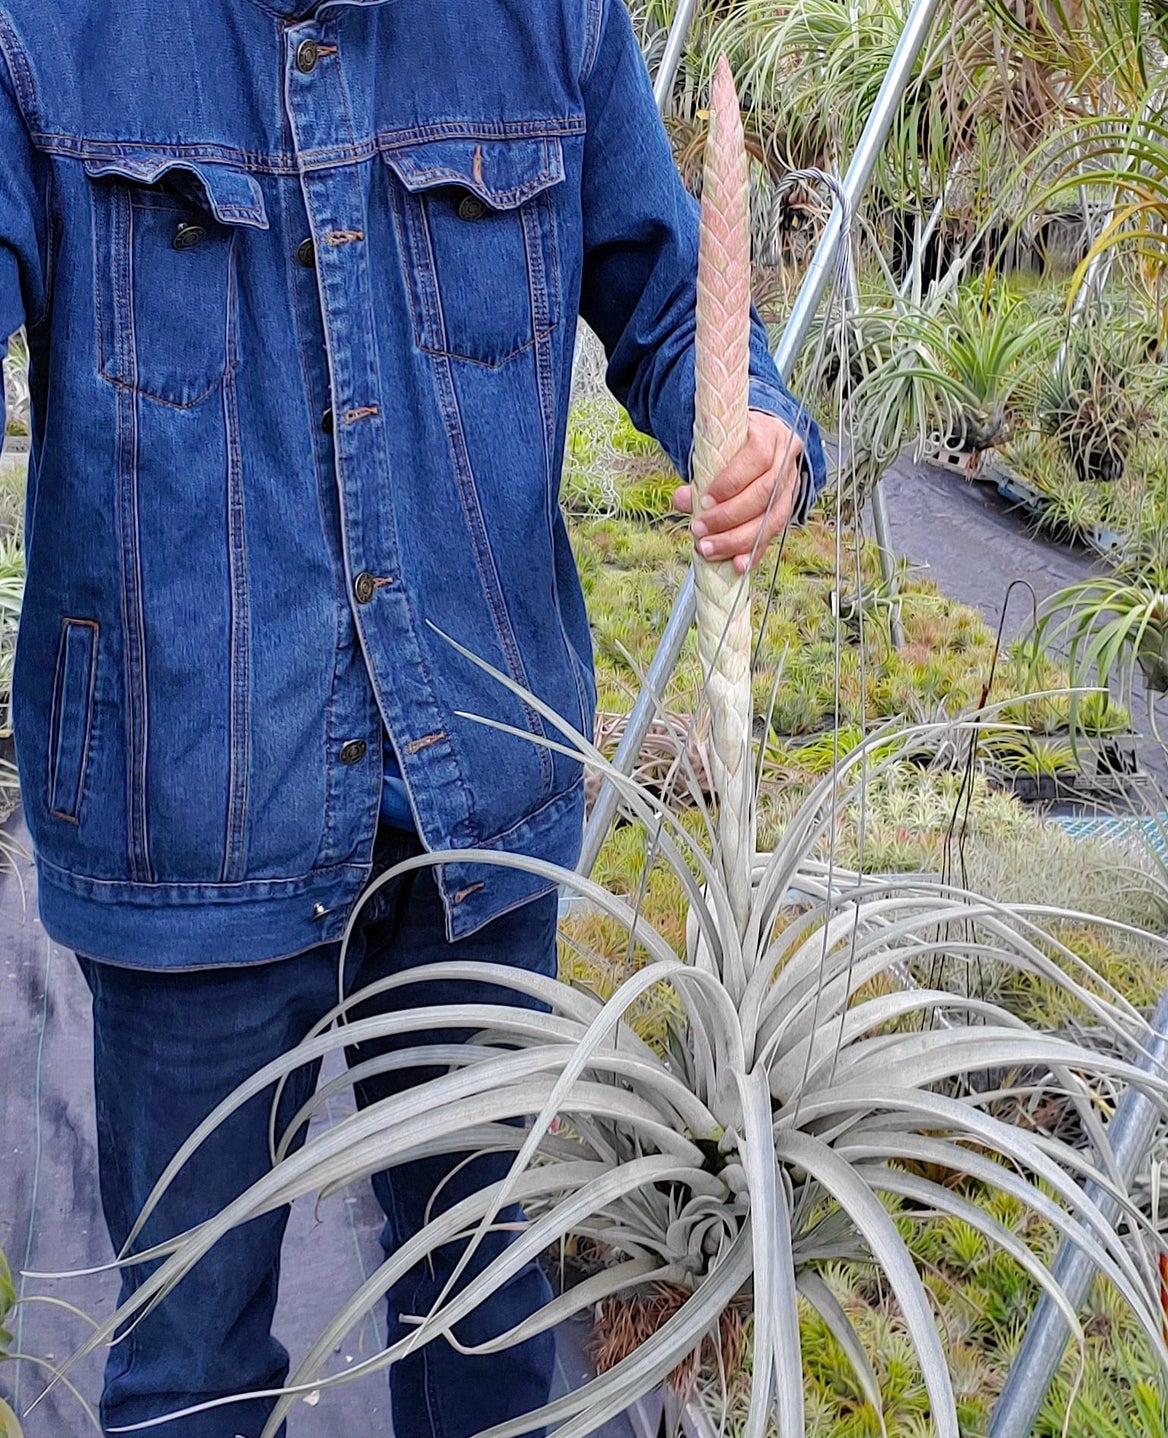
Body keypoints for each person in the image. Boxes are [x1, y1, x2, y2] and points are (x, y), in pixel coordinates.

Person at [0, 1, 824, 1435]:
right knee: (187, 1359)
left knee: (488, 1317)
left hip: (472, 792)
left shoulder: (544, 22)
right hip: (188, 792)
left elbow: (667, 292)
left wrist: (748, 421)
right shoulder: (55, 31)